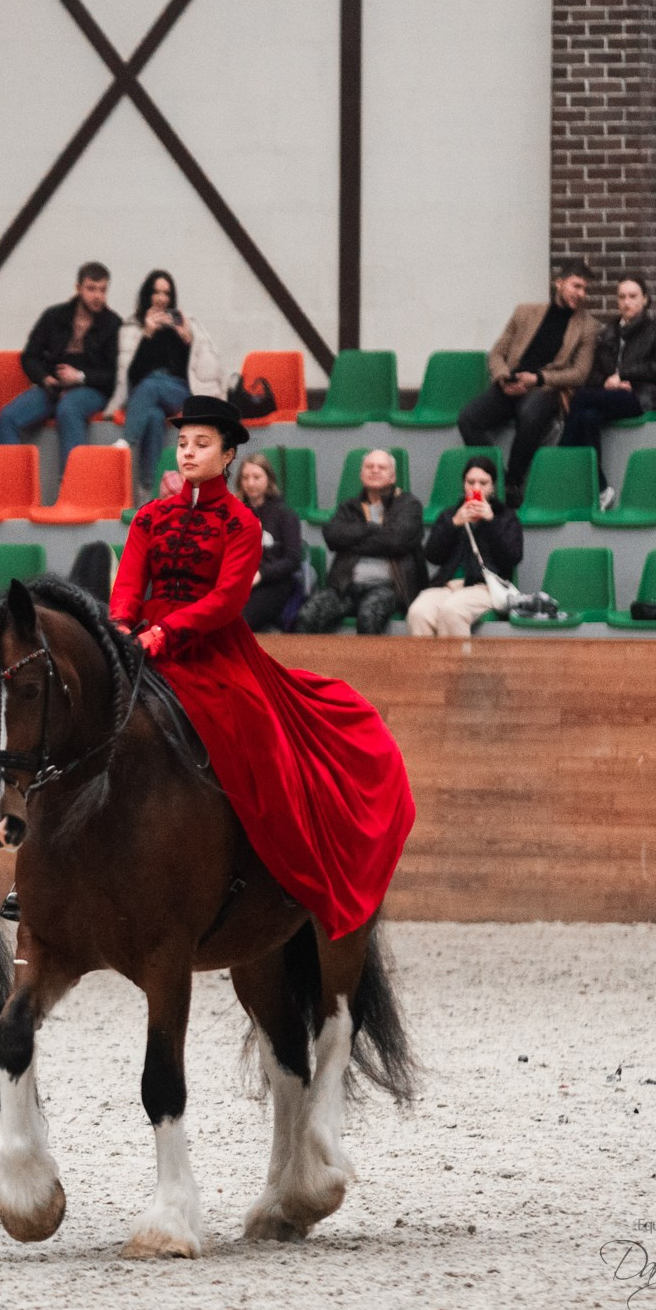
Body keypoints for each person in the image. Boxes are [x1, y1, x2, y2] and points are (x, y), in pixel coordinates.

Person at [106, 392, 413, 944]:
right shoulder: (150, 517)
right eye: (183, 443)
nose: (187, 452)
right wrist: (121, 627)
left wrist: (165, 633)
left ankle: (278, 870)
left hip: (212, 646)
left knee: (257, 734)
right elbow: (128, 582)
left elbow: (226, 601)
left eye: (202, 444)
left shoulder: (242, 523)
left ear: (227, 456)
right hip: (143, 641)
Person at [457, 258, 599, 501]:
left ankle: (513, 483)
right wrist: (503, 377)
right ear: (559, 283)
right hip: (510, 385)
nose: (581, 294)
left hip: (544, 388)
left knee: (531, 415)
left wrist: (538, 378)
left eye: (585, 289)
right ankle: (499, 478)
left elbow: (579, 373)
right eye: (576, 286)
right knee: (467, 418)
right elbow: (496, 353)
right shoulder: (525, 312)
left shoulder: (588, 326)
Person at [558, 275, 656, 508]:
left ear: (645, 299)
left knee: (581, 398)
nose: (627, 302)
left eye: (633, 296)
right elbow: (595, 374)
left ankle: (560, 460)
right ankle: (602, 489)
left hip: (644, 397)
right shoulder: (610, 332)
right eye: (622, 297)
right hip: (613, 396)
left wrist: (624, 376)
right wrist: (608, 382)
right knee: (587, 417)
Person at [112, 269, 225, 495]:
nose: (161, 298)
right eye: (156, 292)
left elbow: (203, 368)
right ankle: (150, 488)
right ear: (147, 294)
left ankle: (126, 442)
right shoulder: (135, 327)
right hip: (147, 393)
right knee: (154, 416)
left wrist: (187, 341)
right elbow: (132, 376)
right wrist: (147, 335)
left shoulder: (184, 323)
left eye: (166, 293)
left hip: (179, 390)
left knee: (153, 384)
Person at [0, 262, 122, 458]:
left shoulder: (113, 324)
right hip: (52, 387)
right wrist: (45, 379)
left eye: (103, 290)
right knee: (8, 417)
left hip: (91, 389)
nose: (98, 296)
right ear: (78, 288)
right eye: (91, 289)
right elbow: (30, 356)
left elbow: (113, 375)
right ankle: (9, 475)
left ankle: (74, 477)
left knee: (69, 408)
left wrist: (79, 377)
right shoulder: (54, 316)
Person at [295, 449, 425, 635]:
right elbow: (332, 536)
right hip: (345, 586)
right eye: (369, 466)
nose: (375, 470)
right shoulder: (349, 507)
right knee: (306, 616)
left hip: (388, 588)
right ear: (361, 474)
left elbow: (396, 541)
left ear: (393, 476)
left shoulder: (408, 504)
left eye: (382, 467)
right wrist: (372, 528)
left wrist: (352, 541)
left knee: (368, 616)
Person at [407, 455, 522, 638]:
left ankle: (457, 659)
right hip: (447, 585)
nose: (476, 488)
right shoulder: (450, 515)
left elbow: (512, 557)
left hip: (484, 587)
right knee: (418, 612)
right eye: (470, 482)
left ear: (492, 487)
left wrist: (491, 522)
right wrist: (453, 524)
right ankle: (428, 659)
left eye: (483, 483)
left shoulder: (505, 516)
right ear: (463, 485)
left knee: (451, 611)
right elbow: (432, 555)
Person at [233, 452, 303, 631]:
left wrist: (260, 574)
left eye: (256, 477)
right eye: (245, 478)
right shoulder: (233, 513)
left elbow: (293, 559)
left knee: (237, 621)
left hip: (273, 584)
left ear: (269, 479)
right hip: (237, 583)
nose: (250, 483)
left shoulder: (284, 515)